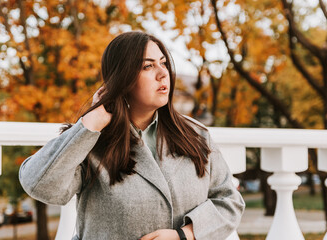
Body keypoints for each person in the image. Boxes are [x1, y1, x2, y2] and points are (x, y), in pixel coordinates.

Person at [19, 31, 245, 240]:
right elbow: (39, 184)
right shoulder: (89, 140)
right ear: (123, 77)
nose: (162, 73)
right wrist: (90, 123)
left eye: (163, 63)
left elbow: (229, 201)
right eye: (148, 66)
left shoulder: (196, 136)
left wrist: (185, 234)